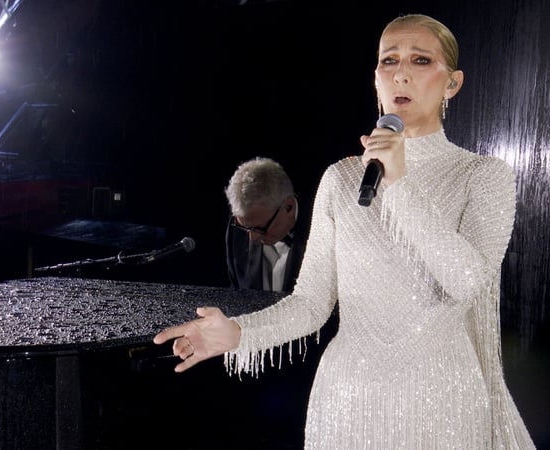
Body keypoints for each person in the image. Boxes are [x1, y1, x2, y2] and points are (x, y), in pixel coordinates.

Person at [153, 13, 536, 449]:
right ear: (375, 79)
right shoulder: (341, 178)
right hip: (347, 399)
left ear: (452, 83)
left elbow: (467, 281)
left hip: (441, 401)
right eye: (389, 60)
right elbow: (311, 303)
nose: (401, 74)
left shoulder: (482, 175)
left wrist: (399, 184)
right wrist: (238, 334)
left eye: (421, 60)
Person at [224, 157, 305, 294]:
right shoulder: (237, 232)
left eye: (260, 228)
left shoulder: (324, 232)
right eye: (245, 227)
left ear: (288, 207)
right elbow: (238, 295)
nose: (252, 237)